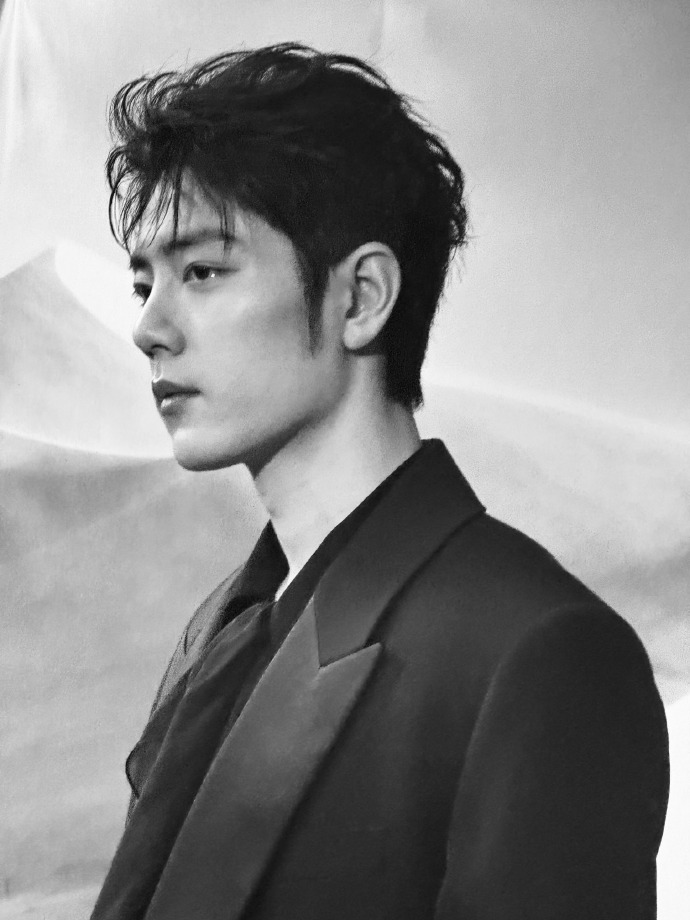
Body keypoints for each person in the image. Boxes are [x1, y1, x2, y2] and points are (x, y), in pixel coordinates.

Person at [91, 43, 669, 920]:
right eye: (144, 283)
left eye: (202, 271)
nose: (148, 327)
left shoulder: (541, 656)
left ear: (361, 297)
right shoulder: (225, 628)